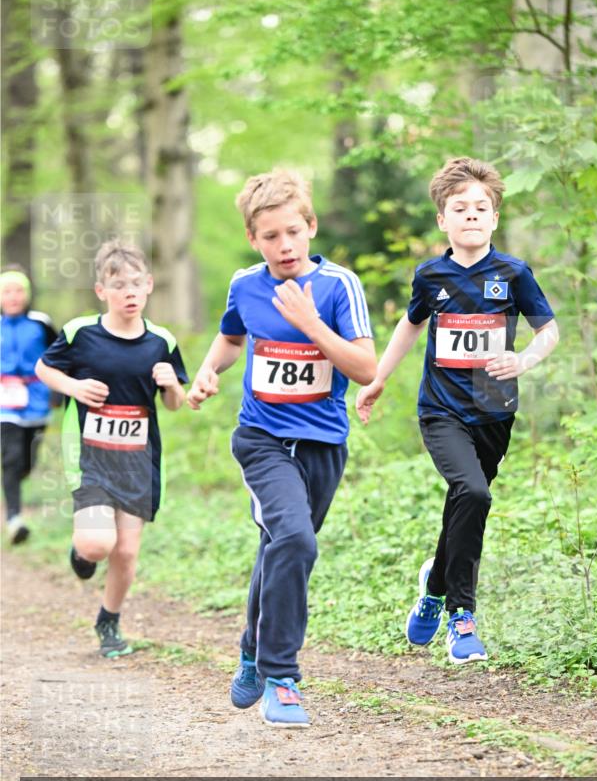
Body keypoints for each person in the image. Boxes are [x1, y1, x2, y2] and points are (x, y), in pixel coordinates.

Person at [188, 168, 376, 727]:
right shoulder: (246, 284)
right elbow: (230, 336)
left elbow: (365, 368)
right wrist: (209, 370)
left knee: (281, 547)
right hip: (262, 438)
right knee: (293, 538)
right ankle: (281, 677)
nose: (285, 244)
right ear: (253, 238)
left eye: (293, 231)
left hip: (323, 444)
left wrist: (312, 324)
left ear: (311, 226)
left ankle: (252, 647)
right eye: (271, 236)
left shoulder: (339, 285)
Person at [356, 156, 559, 664]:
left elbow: (548, 330)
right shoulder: (431, 275)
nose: (471, 214)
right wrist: (379, 378)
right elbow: (410, 325)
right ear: (442, 219)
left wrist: (524, 359)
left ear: (495, 218)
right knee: (474, 491)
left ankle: (433, 586)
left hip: (495, 410)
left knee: (467, 499)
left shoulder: (513, 273)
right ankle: (461, 616)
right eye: (460, 207)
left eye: (481, 207)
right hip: (441, 411)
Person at [35, 240, 188, 658]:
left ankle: (109, 620)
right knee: (98, 545)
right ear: (101, 290)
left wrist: (171, 386)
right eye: (119, 285)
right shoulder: (80, 333)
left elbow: (174, 404)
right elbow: (43, 368)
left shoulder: (161, 341)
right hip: (90, 456)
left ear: (150, 285)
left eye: (136, 283)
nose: (129, 292)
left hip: (137, 460)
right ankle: (82, 551)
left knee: (126, 551)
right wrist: (73, 387)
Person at [1, 267, 57, 544]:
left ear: (27, 294)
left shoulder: (41, 323)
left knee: (28, 462)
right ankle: (14, 519)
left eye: (19, 290)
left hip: (37, 398)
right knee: (10, 457)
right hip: (4, 401)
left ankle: (16, 481)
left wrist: (59, 391)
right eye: (7, 291)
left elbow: (60, 356)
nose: (13, 296)